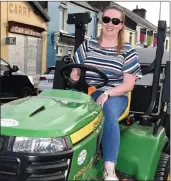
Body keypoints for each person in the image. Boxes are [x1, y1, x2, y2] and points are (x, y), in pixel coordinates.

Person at [70, 6, 142, 181]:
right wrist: (74, 75)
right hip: (89, 92)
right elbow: (75, 73)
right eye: (106, 19)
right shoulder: (87, 45)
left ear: (121, 25)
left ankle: (109, 169)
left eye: (115, 21)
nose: (110, 24)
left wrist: (108, 93)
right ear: (102, 21)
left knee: (107, 111)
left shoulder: (127, 51)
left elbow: (128, 85)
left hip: (116, 95)